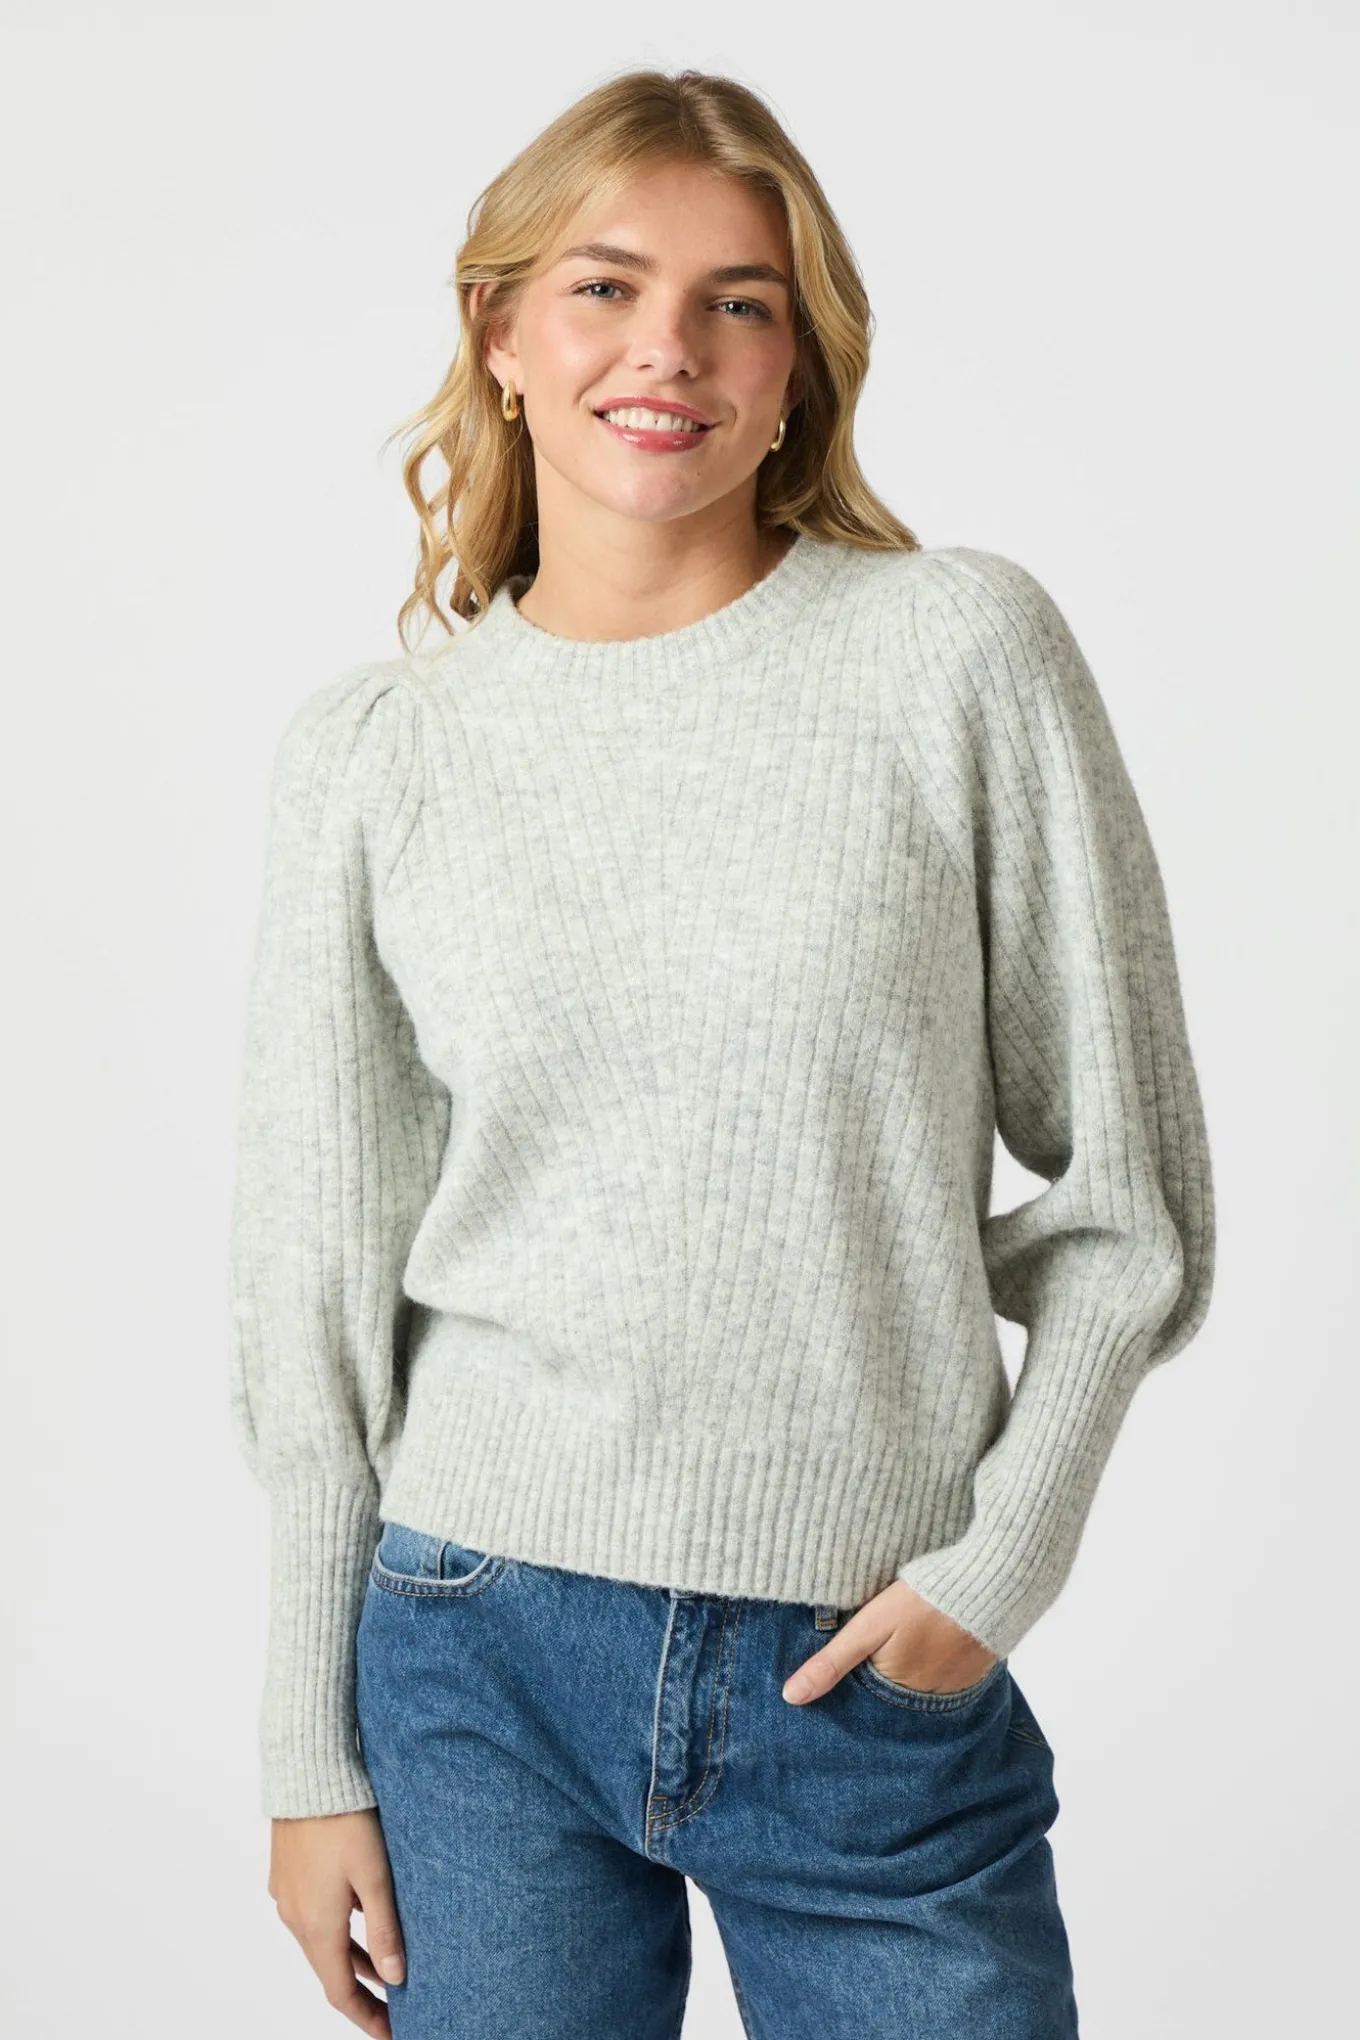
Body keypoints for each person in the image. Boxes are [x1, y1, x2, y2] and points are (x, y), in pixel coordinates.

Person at [227, 67, 1215, 2040]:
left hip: (862, 1666)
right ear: (500, 335)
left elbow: (1126, 1195)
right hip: (470, 1652)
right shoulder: (377, 758)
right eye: (603, 287)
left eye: (735, 302)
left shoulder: (955, 656)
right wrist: (302, 1752)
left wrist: (994, 1569)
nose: (665, 347)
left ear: (796, 366)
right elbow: (313, 1290)